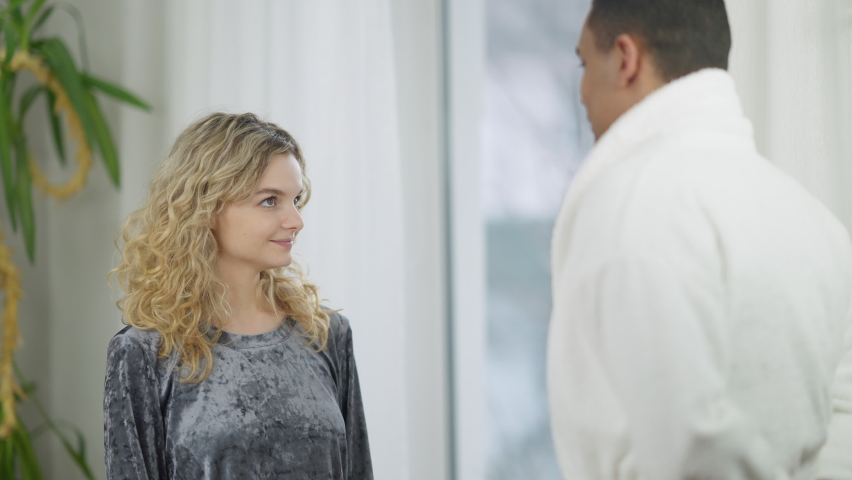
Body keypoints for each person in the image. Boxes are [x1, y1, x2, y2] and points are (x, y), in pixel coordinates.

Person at [547, 1, 852, 479]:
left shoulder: (636, 200)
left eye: (586, 64)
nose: (582, 92)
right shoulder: (818, 222)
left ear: (626, 58)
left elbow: (690, 450)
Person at [104, 112, 372, 479]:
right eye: (269, 201)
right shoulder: (146, 352)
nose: (295, 220)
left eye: (295, 200)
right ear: (205, 207)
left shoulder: (325, 334)